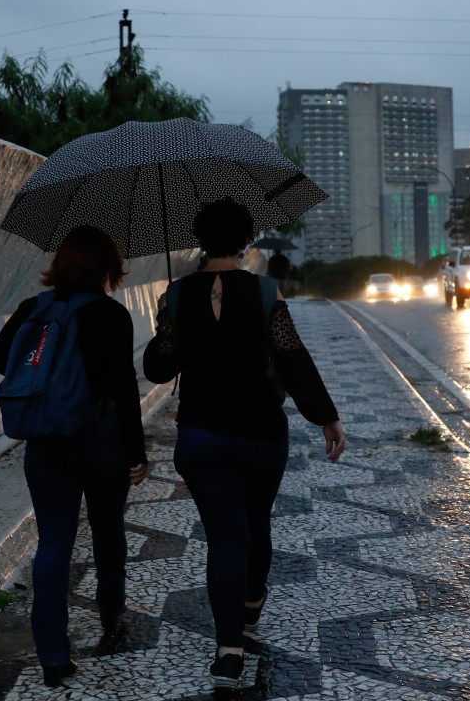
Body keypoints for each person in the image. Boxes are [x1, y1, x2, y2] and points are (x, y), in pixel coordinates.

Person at [142, 197, 347, 689]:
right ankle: (252, 600)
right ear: (243, 242)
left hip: (200, 436)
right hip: (259, 434)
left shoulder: (176, 294)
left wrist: (166, 325)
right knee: (255, 525)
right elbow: (291, 357)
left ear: (200, 239)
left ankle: (228, 650)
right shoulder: (265, 293)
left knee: (225, 538)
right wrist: (326, 417)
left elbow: (157, 369)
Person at [0, 225, 148, 688]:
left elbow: (2, 359)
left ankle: (53, 656)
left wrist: (48, 367)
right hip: (101, 436)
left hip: (46, 440)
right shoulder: (110, 315)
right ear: (106, 268)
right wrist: (135, 451)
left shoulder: (32, 309)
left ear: (60, 265)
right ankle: (111, 618)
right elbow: (125, 389)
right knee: (107, 529)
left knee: (54, 542)